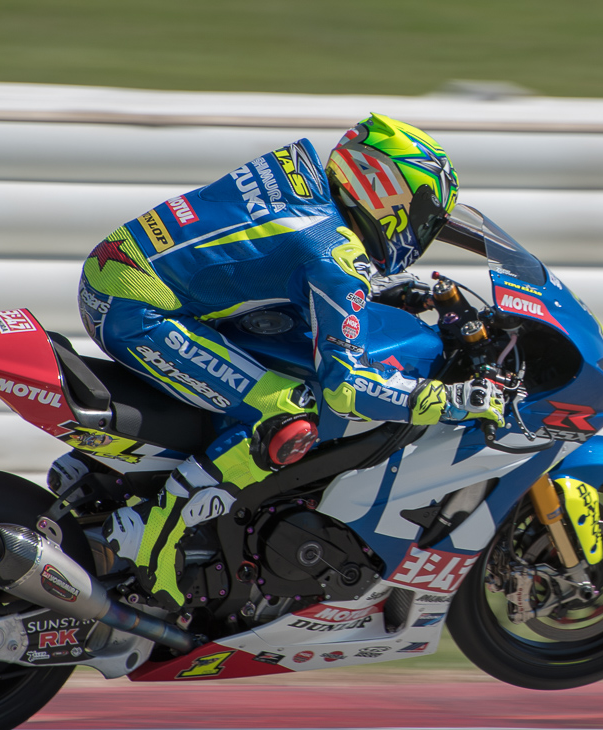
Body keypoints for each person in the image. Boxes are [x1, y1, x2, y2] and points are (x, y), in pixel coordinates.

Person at [70, 114, 501, 611]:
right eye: (425, 215)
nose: (424, 232)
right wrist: (447, 401)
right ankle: (158, 546)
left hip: (122, 269)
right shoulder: (334, 255)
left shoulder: (303, 177)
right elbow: (347, 388)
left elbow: (266, 255)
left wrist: (384, 291)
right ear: (389, 196)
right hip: (137, 309)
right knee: (287, 412)